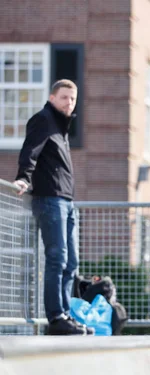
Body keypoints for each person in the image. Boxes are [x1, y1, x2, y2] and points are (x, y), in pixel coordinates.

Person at [13, 79, 93, 335]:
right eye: (64, 98)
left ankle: (66, 315)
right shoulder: (43, 119)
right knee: (57, 258)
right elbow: (30, 151)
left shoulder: (61, 127)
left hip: (67, 201)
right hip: (50, 199)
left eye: (73, 99)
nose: (69, 103)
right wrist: (24, 177)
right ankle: (56, 317)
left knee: (71, 262)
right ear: (52, 98)